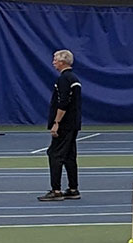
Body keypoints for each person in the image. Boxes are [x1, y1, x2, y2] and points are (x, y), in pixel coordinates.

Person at [38, 49, 82, 202]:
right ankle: (73, 188)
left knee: (55, 154)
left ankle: (56, 190)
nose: (53, 62)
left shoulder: (64, 79)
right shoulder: (74, 79)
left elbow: (63, 102)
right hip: (73, 124)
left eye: (55, 60)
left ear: (63, 62)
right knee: (69, 156)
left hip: (65, 125)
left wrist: (56, 122)